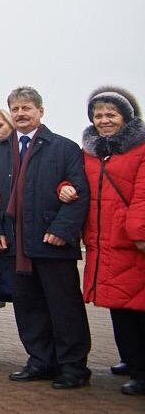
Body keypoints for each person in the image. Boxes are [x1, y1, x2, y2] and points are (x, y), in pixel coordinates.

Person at [0, 86, 90, 389]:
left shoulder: (63, 148)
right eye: (15, 109)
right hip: (15, 244)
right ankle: (40, 360)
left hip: (52, 244)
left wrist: (61, 230)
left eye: (26, 108)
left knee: (64, 307)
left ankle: (72, 366)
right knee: (28, 307)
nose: (20, 114)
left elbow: (79, 193)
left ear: (40, 111)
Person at [74, 87, 145, 396]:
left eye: (111, 114)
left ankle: (142, 370)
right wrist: (65, 186)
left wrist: (139, 233)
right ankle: (131, 360)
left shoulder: (140, 150)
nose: (104, 120)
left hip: (132, 242)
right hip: (103, 241)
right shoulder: (92, 152)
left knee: (138, 307)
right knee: (119, 305)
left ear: (126, 118)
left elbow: (143, 194)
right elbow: (75, 180)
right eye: (98, 115)